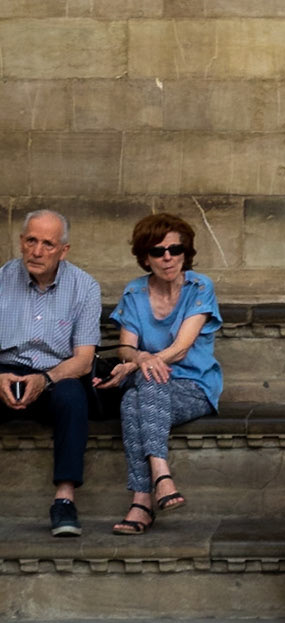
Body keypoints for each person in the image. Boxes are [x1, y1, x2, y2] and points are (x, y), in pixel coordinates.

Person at [96, 211, 223, 533]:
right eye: (158, 251)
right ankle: (159, 479)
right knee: (136, 395)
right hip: (151, 385)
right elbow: (125, 348)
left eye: (175, 250)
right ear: (145, 258)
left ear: (185, 253)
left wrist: (142, 362)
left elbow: (181, 348)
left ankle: (142, 500)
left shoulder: (199, 286)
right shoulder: (135, 292)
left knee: (143, 383)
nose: (168, 258)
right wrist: (139, 359)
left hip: (194, 387)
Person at [0, 210, 100, 536]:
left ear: (63, 250)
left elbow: (84, 359)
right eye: (31, 241)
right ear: (21, 242)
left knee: (73, 395)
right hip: (5, 372)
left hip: (55, 373)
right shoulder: (1, 280)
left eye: (48, 243)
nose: (37, 251)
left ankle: (64, 500)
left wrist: (44, 380)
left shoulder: (84, 287)